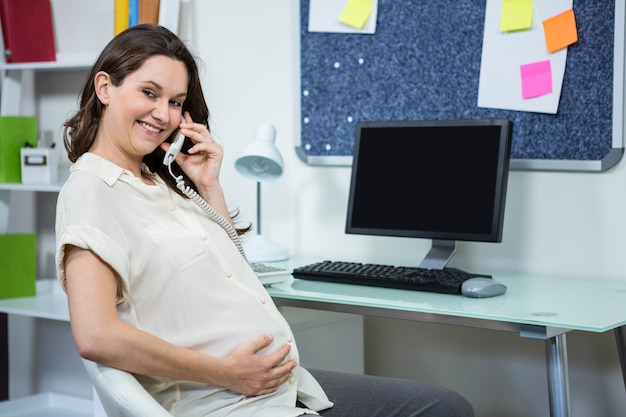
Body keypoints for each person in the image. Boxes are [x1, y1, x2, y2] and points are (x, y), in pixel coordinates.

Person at [55, 24, 474, 417]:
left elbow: (235, 275)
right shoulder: (91, 192)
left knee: (444, 406)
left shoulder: (157, 183)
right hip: (222, 400)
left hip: (277, 386)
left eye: (176, 102)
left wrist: (208, 188)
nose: (163, 114)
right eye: (149, 92)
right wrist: (226, 373)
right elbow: (95, 336)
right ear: (105, 87)